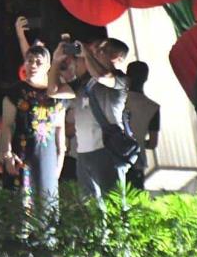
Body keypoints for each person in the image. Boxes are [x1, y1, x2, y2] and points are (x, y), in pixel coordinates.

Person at [48, 38, 131, 203]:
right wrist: (56, 61)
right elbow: (53, 90)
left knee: (113, 204)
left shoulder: (120, 80)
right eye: (97, 49)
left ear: (118, 58)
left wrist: (86, 53)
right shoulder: (83, 82)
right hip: (84, 154)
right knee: (89, 206)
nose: (96, 52)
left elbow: (102, 76)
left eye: (103, 50)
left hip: (107, 151)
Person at [0, 45, 65, 213]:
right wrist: (6, 154)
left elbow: (59, 128)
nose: (33, 65)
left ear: (48, 66)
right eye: (29, 61)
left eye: (38, 62)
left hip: (48, 155)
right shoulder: (15, 92)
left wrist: (60, 157)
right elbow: (6, 125)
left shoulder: (57, 94)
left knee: (47, 203)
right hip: (21, 154)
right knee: (21, 204)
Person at [125, 61, 160, 190]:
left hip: (112, 158)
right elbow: (153, 143)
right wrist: (139, 142)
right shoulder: (153, 107)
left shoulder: (116, 100)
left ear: (126, 76)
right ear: (146, 78)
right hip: (136, 162)